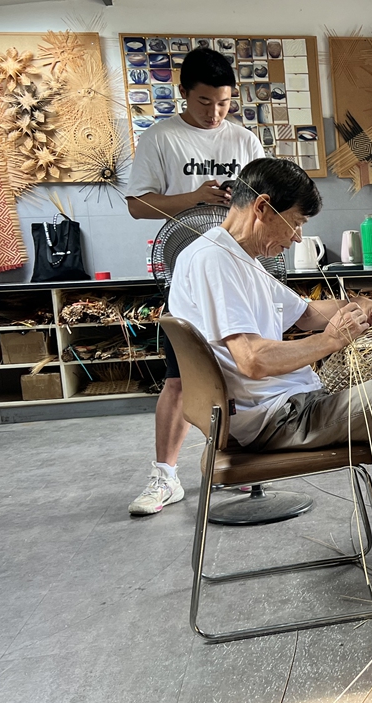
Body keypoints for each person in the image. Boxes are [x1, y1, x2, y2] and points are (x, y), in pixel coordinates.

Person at [169, 158, 372, 540]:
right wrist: (330, 341)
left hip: (295, 405)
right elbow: (252, 360)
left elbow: (305, 314)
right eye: (296, 222)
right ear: (262, 207)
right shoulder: (215, 261)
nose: (295, 238)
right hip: (282, 420)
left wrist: (359, 304)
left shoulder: (240, 257)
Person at [125, 47, 264, 515]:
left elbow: (266, 202)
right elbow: (137, 205)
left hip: (243, 270)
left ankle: (235, 461)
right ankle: (164, 477)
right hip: (183, 271)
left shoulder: (244, 140)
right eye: (205, 102)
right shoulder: (161, 138)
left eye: (224, 103)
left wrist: (242, 205)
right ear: (182, 93)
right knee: (180, 376)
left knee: (244, 366)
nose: (215, 113)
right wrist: (193, 198)